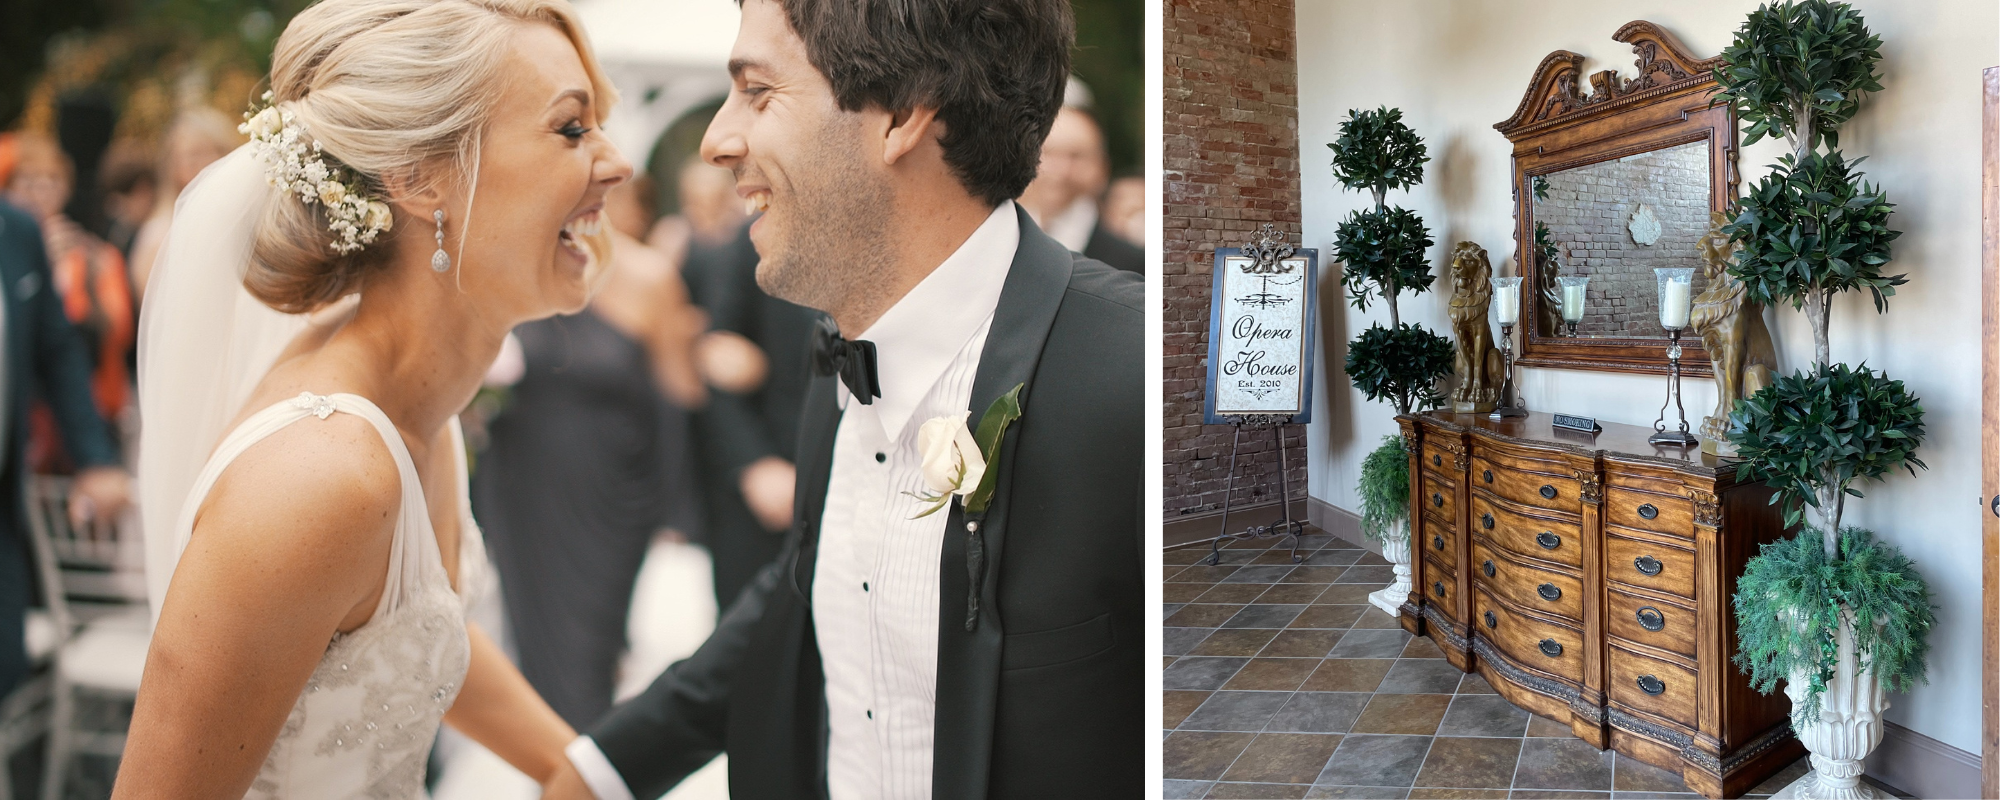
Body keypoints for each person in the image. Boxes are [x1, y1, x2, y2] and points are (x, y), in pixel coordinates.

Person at [545, 0, 1142, 797]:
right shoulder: (836, 343)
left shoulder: (1126, 372)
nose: (720, 139)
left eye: (756, 92)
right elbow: (817, 577)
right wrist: (606, 769)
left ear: (901, 114)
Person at [114, 1, 633, 796]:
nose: (616, 163)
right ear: (421, 179)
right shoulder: (320, 477)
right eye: (571, 128)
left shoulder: (422, 416)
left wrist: (582, 772)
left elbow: (409, 638)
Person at [472, 176, 706, 730]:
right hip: (520, 490)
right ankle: (556, 773)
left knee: (591, 651)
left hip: (613, 496)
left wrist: (680, 508)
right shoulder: (513, 269)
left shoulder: (649, 276)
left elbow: (681, 400)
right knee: (533, 649)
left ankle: (578, 770)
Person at [0, 196, 132, 710]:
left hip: (2, 514)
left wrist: (96, 459)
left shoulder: (18, 231)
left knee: (8, 664)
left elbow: (56, 352)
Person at [3, 134, 136, 425]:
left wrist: (89, 280)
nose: (43, 189)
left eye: (53, 179)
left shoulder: (98, 255)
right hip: (20, 412)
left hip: (85, 411)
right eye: (29, 180)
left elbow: (119, 332)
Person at [1016, 91, 1145, 274]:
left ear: (1102, 168)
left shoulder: (1134, 264)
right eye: (1049, 153)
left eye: (1076, 156)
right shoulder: (996, 243)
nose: (1061, 171)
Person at [126, 108, 239, 300]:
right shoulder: (159, 233)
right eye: (190, 155)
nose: (198, 164)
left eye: (205, 153)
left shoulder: (238, 219)